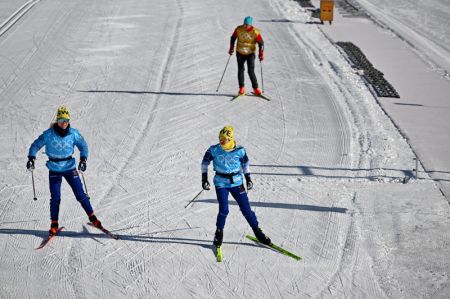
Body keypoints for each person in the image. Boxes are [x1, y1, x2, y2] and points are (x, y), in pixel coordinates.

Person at [27, 106, 102, 235]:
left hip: (69, 167)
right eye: (61, 120)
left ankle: (92, 218)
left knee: (80, 194)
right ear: (57, 120)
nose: (64, 123)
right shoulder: (48, 134)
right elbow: (36, 145)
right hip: (54, 168)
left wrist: (83, 159)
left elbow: (83, 146)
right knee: (55, 197)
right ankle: (54, 224)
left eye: (66, 120)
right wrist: (31, 157)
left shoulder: (74, 133)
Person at [201, 125, 271, 247]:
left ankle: (257, 231)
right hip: (221, 183)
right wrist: (204, 178)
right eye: (220, 139)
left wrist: (248, 178)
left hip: (237, 182)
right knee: (224, 209)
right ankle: (219, 232)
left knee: (246, 209)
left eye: (224, 140)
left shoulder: (240, 151)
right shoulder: (214, 150)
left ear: (231, 139)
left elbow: (245, 165)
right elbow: (204, 163)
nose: (221, 142)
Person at [229, 16, 264, 96]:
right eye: (244, 23)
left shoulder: (255, 32)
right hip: (240, 52)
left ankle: (256, 89)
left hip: (250, 53)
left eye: (246, 24)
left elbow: (261, 43)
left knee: (251, 71)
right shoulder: (239, 29)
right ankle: (241, 88)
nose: (244, 26)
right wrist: (231, 48)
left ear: (250, 25)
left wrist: (261, 53)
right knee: (240, 70)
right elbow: (233, 38)